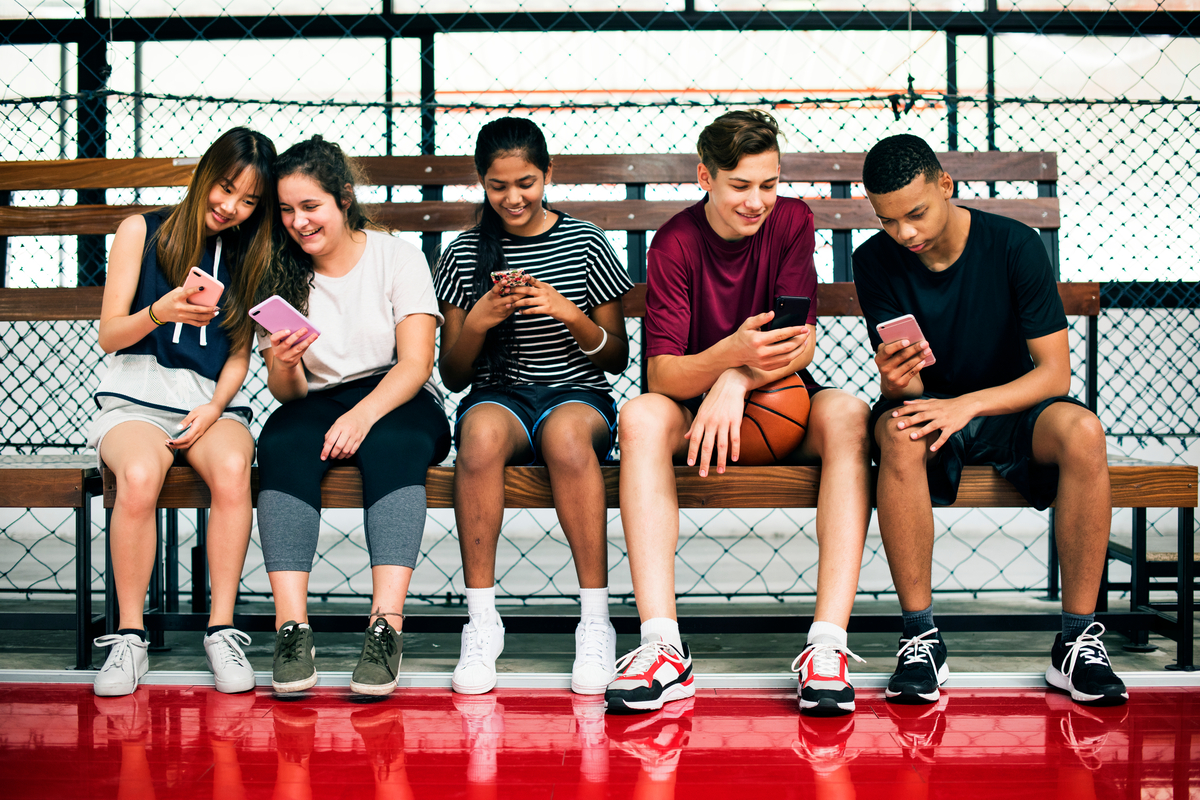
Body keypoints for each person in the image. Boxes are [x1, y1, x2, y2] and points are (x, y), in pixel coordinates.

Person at [605, 110, 872, 715]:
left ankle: (827, 645)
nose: (757, 201)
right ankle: (662, 648)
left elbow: (800, 341)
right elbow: (663, 374)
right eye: (741, 186)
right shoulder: (674, 243)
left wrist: (738, 376)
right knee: (642, 416)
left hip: (779, 400)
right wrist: (724, 358)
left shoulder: (794, 220)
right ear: (705, 176)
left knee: (850, 416)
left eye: (768, 184)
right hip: (694, 417)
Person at [853, 133, 1127, 707]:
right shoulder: (874, 261)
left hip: (1010, 405)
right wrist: (896, 380)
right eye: (888, 220)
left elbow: (1054, 375)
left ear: (946, 186)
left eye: (916, 213)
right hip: (931, 410)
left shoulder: (1014, 244)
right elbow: (911, 392)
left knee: (1084, 432)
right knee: (898, 433)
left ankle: (1077, 645)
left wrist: (969, 404)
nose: (904, 232)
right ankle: (920, 639)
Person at [434, 117, 633, 696]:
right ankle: (481, 623)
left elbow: (615, 358)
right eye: (498, 186)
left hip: (577, 393)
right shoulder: (465, 252)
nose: (513, 197)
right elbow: (452, 374)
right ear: (481, 183)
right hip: (499, 395)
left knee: (567, 440)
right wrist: (478, 322)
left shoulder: (588, 242)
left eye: (526, 182)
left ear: (549, 174)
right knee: (478, 438)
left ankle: (595, 623)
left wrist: (566, 312)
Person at [256, 136, 451, 697]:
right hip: (318, 397)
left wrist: (363, 417)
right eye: (287, 210)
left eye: (310, 206)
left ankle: (385, 627)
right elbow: (289, 394)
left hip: (397, 392)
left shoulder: (396, 254)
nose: (298, 221)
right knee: (281, 444)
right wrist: (284, 364)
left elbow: (416, 363)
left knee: (395, 445)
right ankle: (291, 629)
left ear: (344, 199)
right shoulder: (280, 271)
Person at [88, 127, 276, 697]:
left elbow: (239, 355)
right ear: (205, 174)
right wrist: (159, 310)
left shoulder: (251, 252)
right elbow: (108, 335)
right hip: (134, 395)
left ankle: (221, 630)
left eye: (248, 201)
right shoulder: (140, 230)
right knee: (140, 478)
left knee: (231, 471)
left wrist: (216, 406)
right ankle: (129, 637)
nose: (231, 207)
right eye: (225, 188)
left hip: (210, 401)